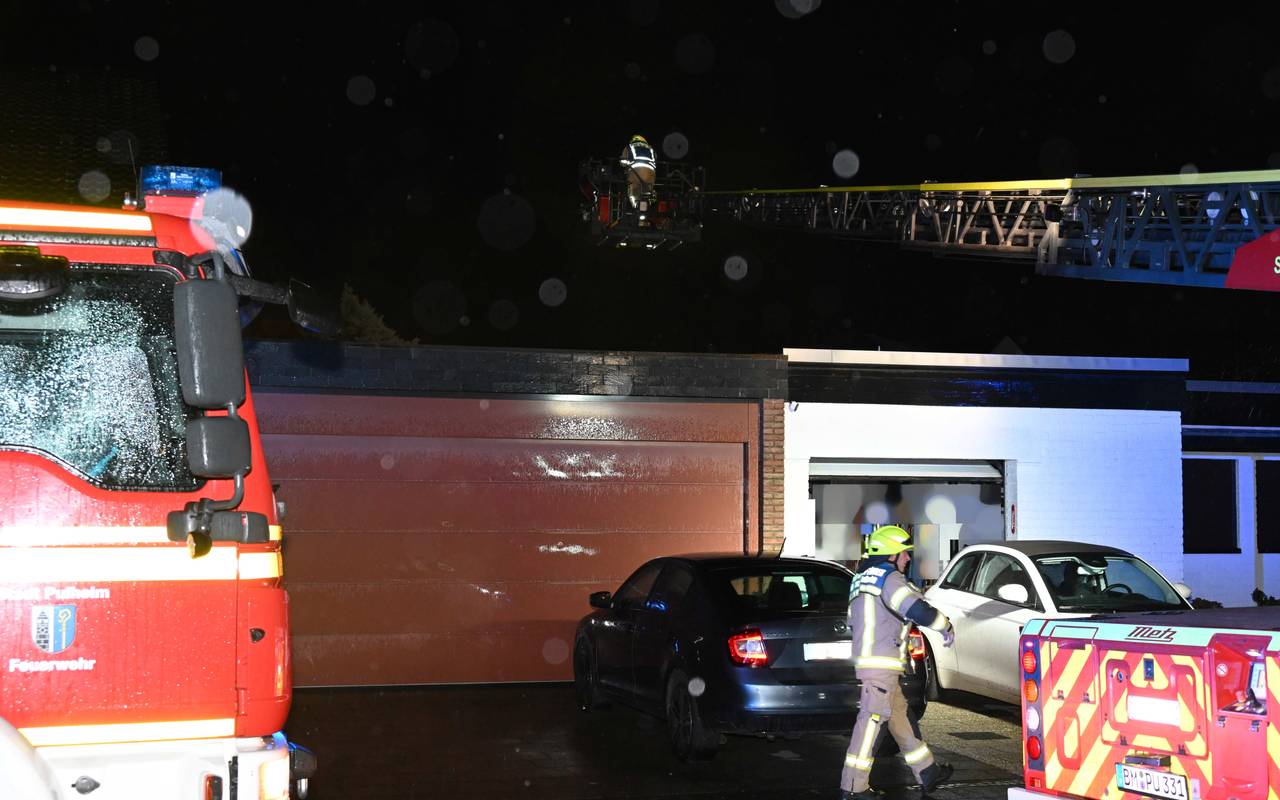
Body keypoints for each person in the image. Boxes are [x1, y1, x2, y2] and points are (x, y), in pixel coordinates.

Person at [841, 525, 955, 800]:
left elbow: (853, 620)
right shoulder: (889, 578)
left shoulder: (861, 579)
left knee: (900, 717)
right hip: (882, 664)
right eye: (904, 554)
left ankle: (927, 771)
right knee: (870, 722)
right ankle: (853, 788)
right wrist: (945, 626)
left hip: (874, 663)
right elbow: (916, 609)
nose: (907, 559)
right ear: (891, 554)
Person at [619, 134, 656, 215]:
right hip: (650, 174)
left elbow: (623, 162)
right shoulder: (650, 148)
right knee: (647, 193)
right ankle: (646, 210)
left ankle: (635, 208)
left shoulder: (629, 147)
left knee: (633, 192)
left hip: (636, 172)